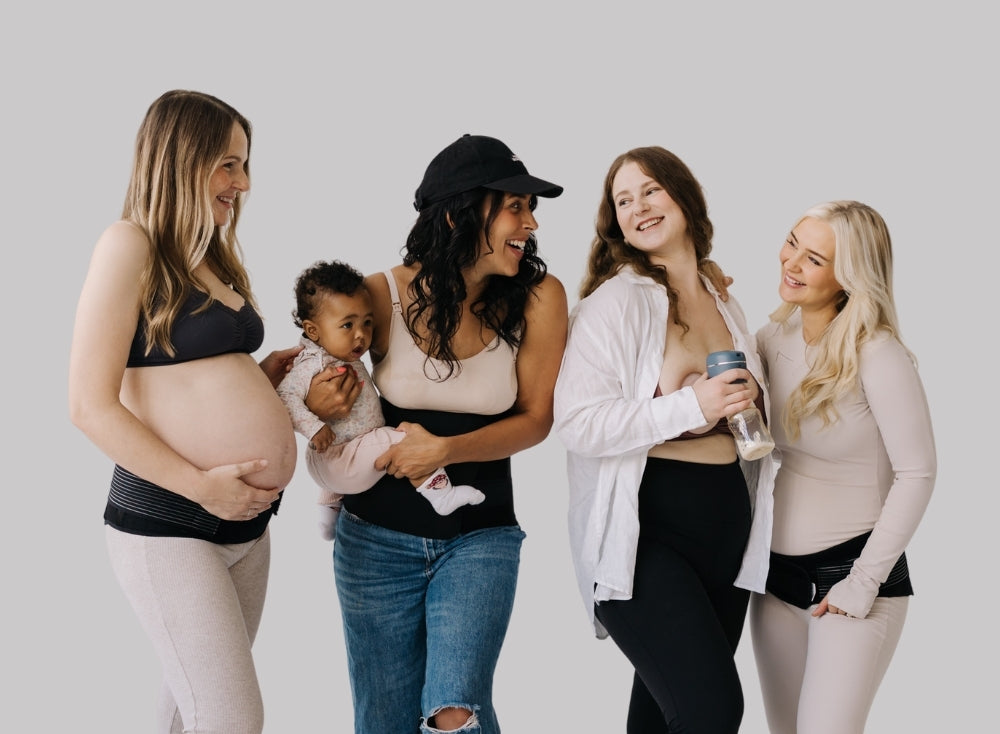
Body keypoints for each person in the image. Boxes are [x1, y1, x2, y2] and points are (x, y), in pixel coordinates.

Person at [304, 134, 568, 734]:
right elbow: (322, 372)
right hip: (373, 541)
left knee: (456, 710)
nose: (530, 224)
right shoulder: (381, 293)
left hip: (480, 535)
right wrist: (322, 404)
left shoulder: (539, 298)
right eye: (515, 207)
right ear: (458, 214)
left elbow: (536, 419)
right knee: (385, 720)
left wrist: (445, 450)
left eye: (532, 210)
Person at [68, 90, 301, 734]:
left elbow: (188, 381)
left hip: (246, 528)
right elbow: (88, 406)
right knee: (230, 719)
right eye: (228, 164)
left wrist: (262, 381)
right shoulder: (128, 244)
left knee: (188, 712)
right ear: (179, 158)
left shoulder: (212, 254)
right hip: (170, 522)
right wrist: (203, 486)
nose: (244, 183)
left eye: (245, 165)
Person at [552, 146, 778, 734]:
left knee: (661, 717)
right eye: (623, 200)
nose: (639, 207)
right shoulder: (616, 302)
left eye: (650, 190)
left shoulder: (722, 295)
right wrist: (688, 406)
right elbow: (577, 422)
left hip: (727, 528)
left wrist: (741, 400)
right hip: (647, 535)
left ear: (683, 194)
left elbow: (740, 405)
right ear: (615, 222)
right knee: (711, 710)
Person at [749, 201, 936, 734]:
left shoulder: (878, 354)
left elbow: (918, 473)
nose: (792, 263)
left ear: (848, 277)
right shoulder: (770, 339)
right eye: (792, 243)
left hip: (853, 580)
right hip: (776, 583)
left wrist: (864, 581)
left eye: (814, 259)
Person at [277, 259, 485, 540]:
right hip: (340, 461)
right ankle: (440, 494)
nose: (361, 334)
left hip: (332, 464)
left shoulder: (338, 355)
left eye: (367, 323)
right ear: (313, 330)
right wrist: (313, 426)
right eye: (347, 325)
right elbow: (284, 399)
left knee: (359, 444)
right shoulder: (309, 364)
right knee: (402, 439)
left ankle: (328, 514)